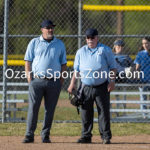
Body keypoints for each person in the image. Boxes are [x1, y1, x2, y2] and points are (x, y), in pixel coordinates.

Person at [68, 28, 116, 144]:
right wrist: (72, 84)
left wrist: (112, 81)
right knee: (85, 112)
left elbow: (113, 67)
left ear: (97, 38)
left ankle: (105, 136)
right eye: (88, 38)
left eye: (92, 37)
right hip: (86, 86)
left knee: (103, 112)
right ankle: (86, 136)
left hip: (102, 86)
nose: (90, 40)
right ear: (86, 39)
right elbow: (76, 70)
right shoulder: (81, 51)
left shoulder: (105, 50)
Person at [23, 19, 67, 143]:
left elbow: (63, 64)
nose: (50, 30)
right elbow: (28, 61)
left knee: (50, 109)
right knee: (33, 108)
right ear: (42, 29)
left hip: (54, 81)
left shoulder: (59, 44)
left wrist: (60, 81)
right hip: (37, 80)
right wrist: (30, 79)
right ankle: (29, 134)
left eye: (52, 27)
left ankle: (45, 135)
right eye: (47, 28)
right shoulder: (34, 42)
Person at [134, 37, 150, 119]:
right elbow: (137, 68)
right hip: (143, 80)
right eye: (143, 43)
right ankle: (145, 116)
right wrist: (138, 80)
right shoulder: (140, 54)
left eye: (146, 43)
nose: (145, 45)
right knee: (143, 97)